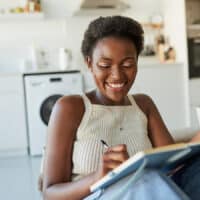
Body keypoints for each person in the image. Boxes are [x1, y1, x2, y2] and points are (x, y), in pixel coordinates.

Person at [42, 16, 200, 200]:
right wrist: (97, 177)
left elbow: (174, 163)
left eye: (127, 64)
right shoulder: (70, 108)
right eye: (105, 65)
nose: (117, 75)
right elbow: (50, 193)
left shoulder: (144, 104)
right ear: (89, 63)